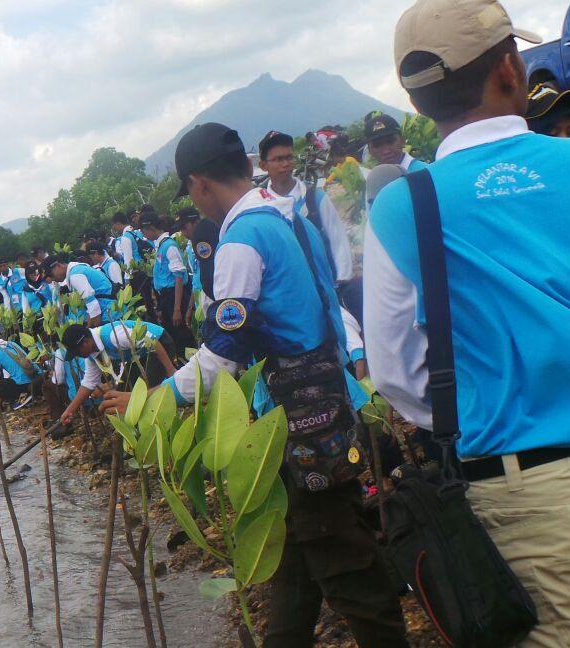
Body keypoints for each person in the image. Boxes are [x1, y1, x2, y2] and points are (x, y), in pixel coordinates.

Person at [105, 122, 408, 648]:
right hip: (330, 400)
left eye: (193, 195)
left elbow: (224, 352)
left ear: (199, 184)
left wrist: (158, 399)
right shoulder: (293, 222)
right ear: (249, 167)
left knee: (343, 561)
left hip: (299, 423)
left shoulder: (241, 242)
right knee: (294, 557)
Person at [368, 1, 570, 644]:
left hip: (523, 499)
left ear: (418, 102)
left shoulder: (403, 207)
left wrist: (488, 410)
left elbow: (398, 372)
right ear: (511, 69)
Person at [259, 130, 355, 285]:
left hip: (325, 289)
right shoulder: (259, 205)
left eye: (289, 157)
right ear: (263, 165)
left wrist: (343, 281)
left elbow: (338, 241)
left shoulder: (314, 199)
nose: (285, 164)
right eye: (277, 159)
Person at [58, 321, 177, 426]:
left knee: (146, 390)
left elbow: (153, 342)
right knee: (122, 393)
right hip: (139, 355)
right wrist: (70, 410)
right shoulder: (92, 355)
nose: (77, 356)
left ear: (85, 343)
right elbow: (88, 384)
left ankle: (157, 423)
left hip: (160, 344)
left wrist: (171, 371)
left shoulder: (112, 335)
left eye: (77, 352)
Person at [139, 211, 196, 351]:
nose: (143, 235)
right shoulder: (161, 245)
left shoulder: (169, 246)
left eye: (143, 231)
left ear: (151, 228)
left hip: (174, 297)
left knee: (182, 336)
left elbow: (178, 276)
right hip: (166, 297)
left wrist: (177, 309)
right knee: (174, 335)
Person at [42, 253, 116, 327]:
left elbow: (94, 309)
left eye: (50, 275)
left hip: (110, 315)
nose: (51, 279)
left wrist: (87, 331)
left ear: (58, 266)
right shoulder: (77, 269)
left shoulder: (75, 276)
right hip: (110, 311)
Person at [364, 112, 428, 173]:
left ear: (402, 140)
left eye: (390, 141)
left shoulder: (426, 172)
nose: (386, 151)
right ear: (369, 150)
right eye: (377, 145)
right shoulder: (373, 180)